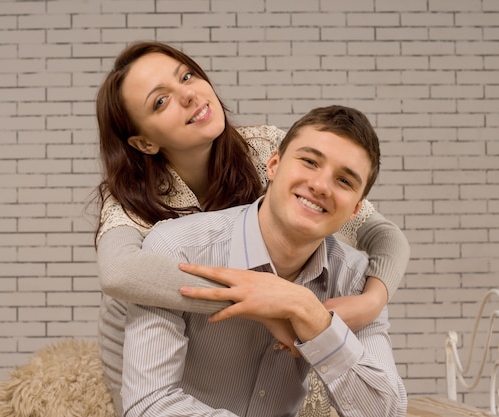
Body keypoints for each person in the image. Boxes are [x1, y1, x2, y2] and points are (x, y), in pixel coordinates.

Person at [93, 41, 410, 416]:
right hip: (145, 327)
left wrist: (370, 301)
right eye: (160, 101)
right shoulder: (133, 199)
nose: (189, 96)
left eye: (187, 76)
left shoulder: (264, 148)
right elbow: (118, 273)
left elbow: (383, 234)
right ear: (144, 141)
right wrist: (267, 304)